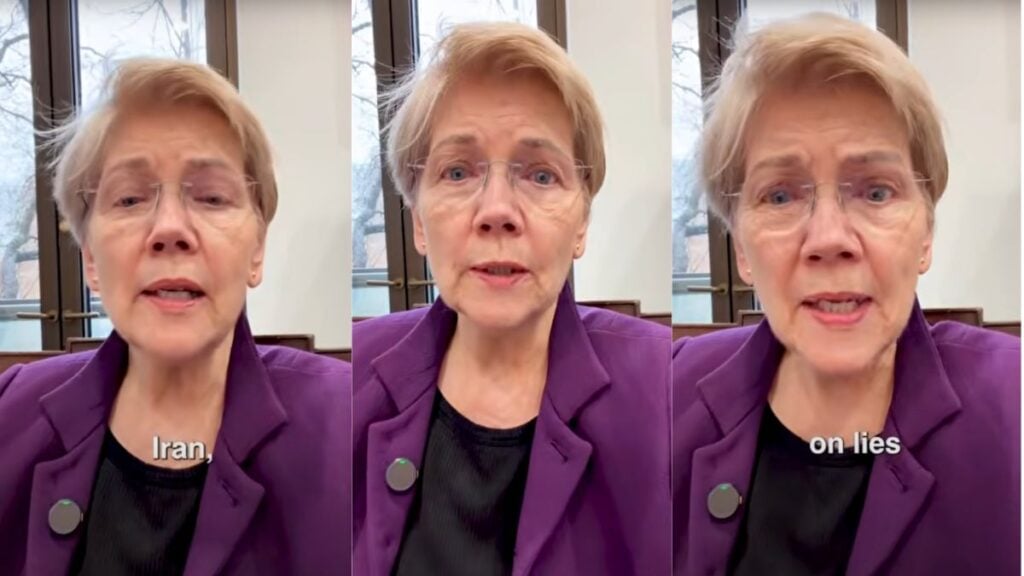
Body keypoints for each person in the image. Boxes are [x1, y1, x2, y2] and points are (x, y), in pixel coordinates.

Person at [673, 13, 1019, 576]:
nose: (829, 239)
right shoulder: (665, 394)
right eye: (780, 195)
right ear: (740, 247)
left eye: (876, 191)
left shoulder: (1012, 406)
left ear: (926, 234)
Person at [0, 58, 351, 575]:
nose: (169, 228)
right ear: (91, 261)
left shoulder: (348, 420)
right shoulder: (12, 414)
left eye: (211, 197)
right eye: (129, 198)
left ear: (256, 251)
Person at [353, 22, 671, 576]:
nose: (496, 209)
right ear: (418, 224)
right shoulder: (348, 384)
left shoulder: (666, 386)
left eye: (540, 175)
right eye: (457, 171)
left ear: (581, 224)